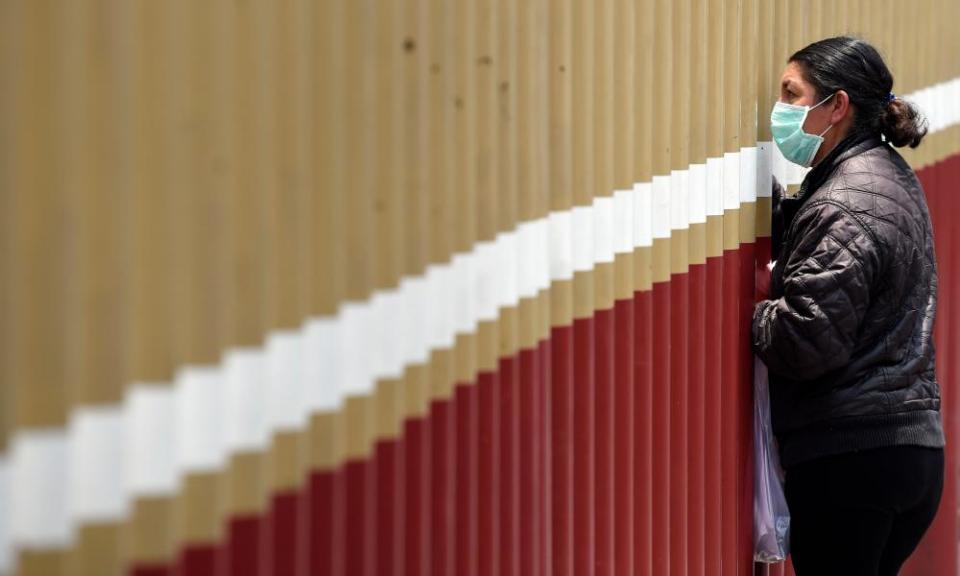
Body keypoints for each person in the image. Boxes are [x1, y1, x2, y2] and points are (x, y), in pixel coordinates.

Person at [752, 36, 945, 575]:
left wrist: (757, 310)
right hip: (907, 453)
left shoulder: (844, 202)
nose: (781, 110)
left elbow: (807, 343)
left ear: (836, 106)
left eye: (792, 95)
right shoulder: (885, 177)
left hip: (853, 463)